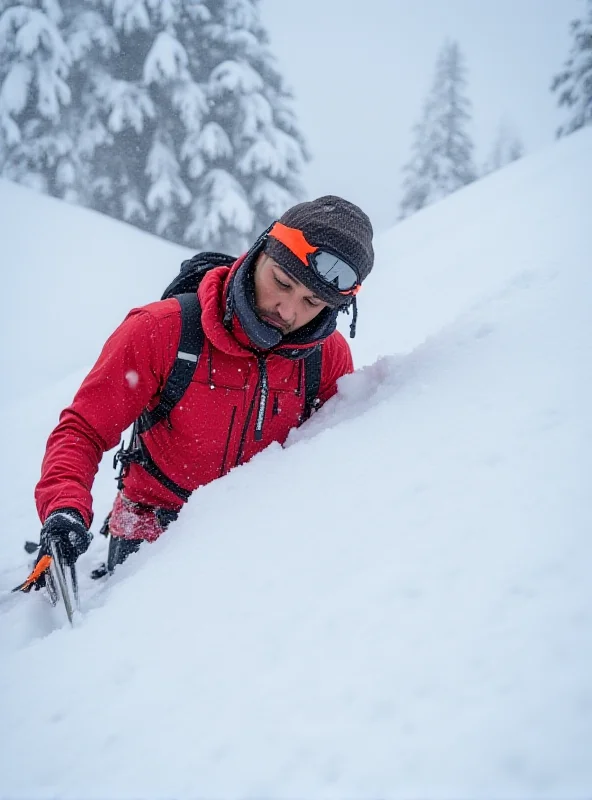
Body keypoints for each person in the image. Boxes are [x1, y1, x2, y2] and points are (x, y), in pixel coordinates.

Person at [29, 195, 374, 580]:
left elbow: (335, 460)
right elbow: (84, 430)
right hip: (149, 536)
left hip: (260, 542)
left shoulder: (325, 358)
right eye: (281, 281)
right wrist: (65, 508)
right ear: (261, 250)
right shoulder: (161, 330)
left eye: (311, 301)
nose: (287, 310)